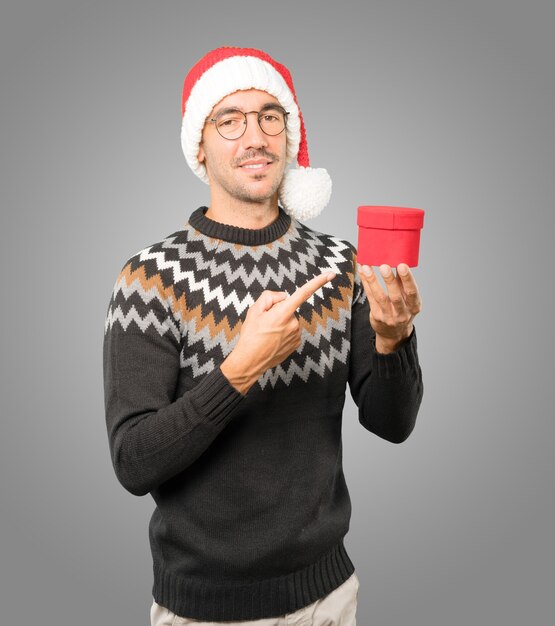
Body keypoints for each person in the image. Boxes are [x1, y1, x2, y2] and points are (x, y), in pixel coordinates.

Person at [103, 46, 423, 626]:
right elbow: (134, 461)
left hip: (329, 595)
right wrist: (240, 369)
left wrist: (393, 339)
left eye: (270, 116)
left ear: (289, 135)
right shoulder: (150, 279)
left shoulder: (338, 263)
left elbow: (392, 424)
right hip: (204, 611)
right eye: (230, 120)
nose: (255, 136)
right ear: (199, 145)